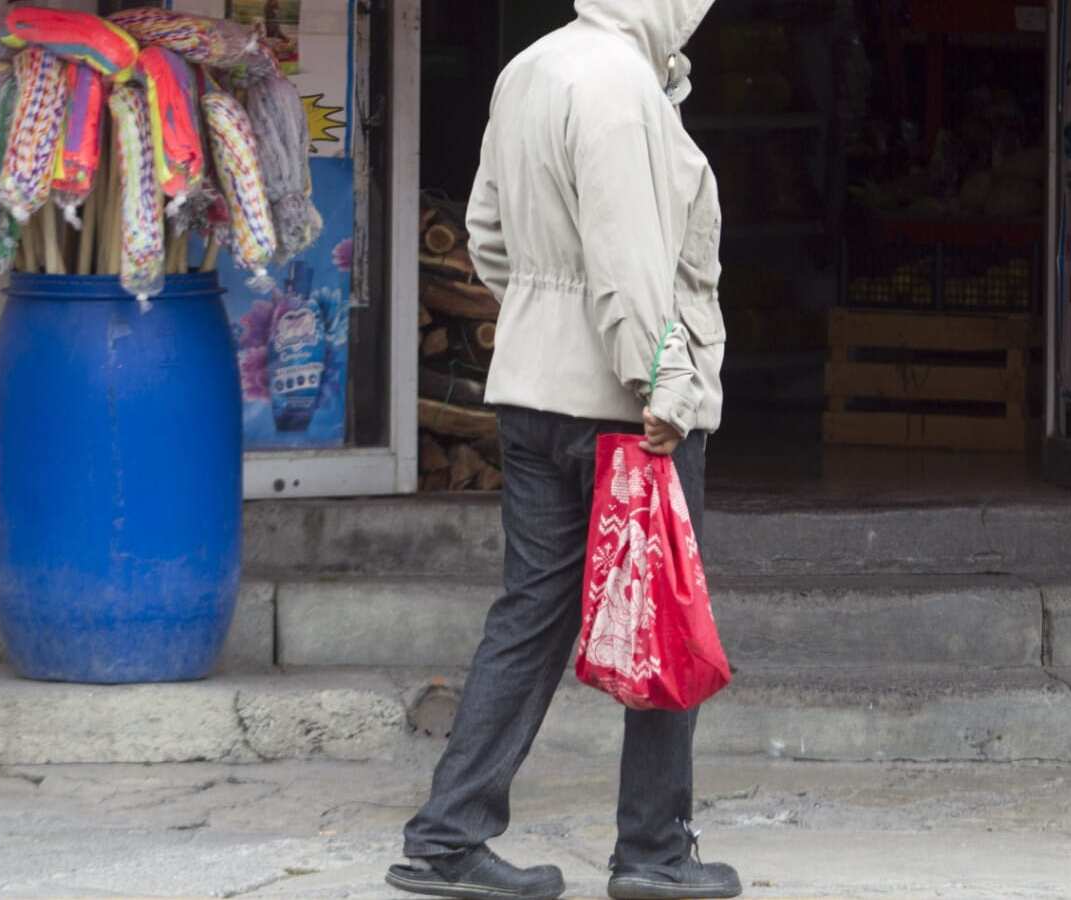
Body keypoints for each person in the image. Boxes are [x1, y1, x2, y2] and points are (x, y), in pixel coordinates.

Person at [386, 2, 734, 899]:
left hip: (535, 391)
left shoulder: (534, 67)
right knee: (662, 612)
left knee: (530, 613)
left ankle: (446, 837)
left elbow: (487, 236)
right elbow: (629, 261)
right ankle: (654, 851)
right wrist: (661, 386)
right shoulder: (619, 90)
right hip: (625, 405)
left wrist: (544, 324)